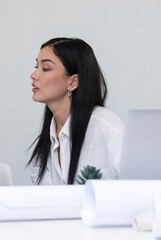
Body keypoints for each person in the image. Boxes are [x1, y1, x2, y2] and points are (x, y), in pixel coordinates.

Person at [28, 37, 123, 185]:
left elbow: (137, 188)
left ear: (73, 82)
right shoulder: (47, 139)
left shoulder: (105, 126)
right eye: (36, 67)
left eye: (45, 68)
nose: (33, 75)